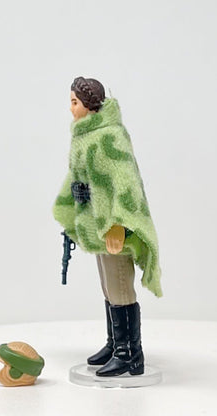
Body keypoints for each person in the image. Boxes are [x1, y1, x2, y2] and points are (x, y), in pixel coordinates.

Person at [53, 76, 162, 377]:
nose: (70, 108)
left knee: (119, 286)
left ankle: (130, 355)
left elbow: (125, 182)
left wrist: (118, 224)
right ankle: (115, 344)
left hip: (112, 228)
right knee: (107, 285)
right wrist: (74, 202)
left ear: (89, 105)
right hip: (94, 224)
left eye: (74, 102)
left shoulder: (109, 135)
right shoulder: (84, 134)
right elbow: (79, 175)